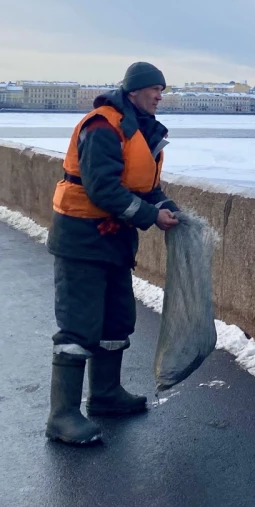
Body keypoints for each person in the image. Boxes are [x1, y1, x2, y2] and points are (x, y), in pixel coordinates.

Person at [44, 62, 179, 446]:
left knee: (116, 319)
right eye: (153, 89)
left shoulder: (141, 129)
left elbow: (142, 184)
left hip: (114, 239)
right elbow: (103, 189)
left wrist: (166, 205)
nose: (159, 96)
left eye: (162, 90)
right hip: (82, 238)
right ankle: (62, 415)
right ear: (133, 92)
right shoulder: (103, 127)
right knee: (79, 324)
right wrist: (153, 217)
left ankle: (105, 394)